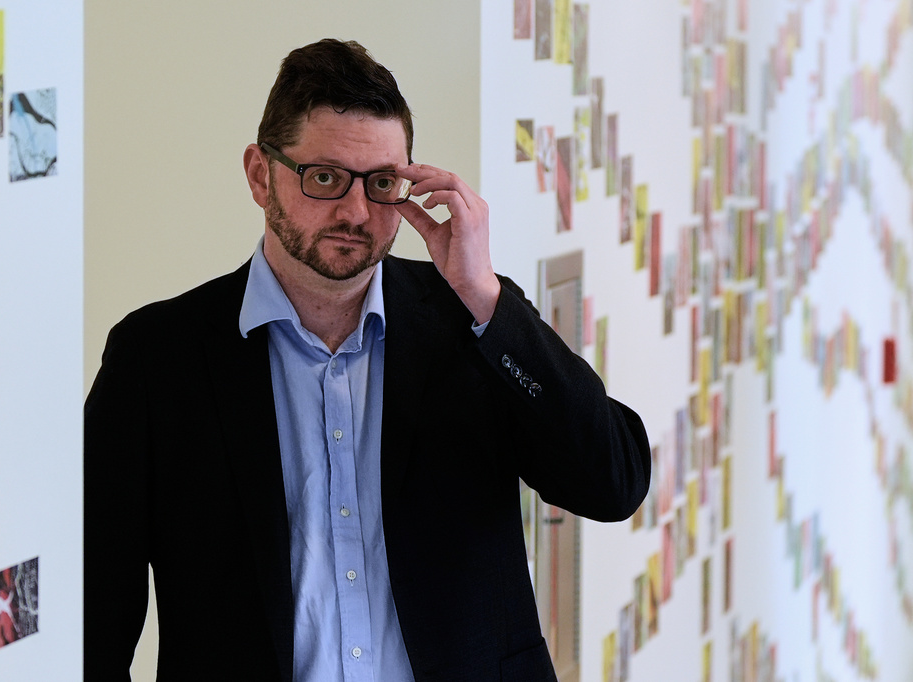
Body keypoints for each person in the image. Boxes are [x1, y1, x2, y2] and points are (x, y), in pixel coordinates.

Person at [84, 38, 650, 682]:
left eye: (382, 184)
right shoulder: (156, 359)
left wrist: (485, 298)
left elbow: (614, 484)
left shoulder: (473, 321)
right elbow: (96, 619)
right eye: (324, 177)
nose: (356, 212)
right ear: (259, 174)